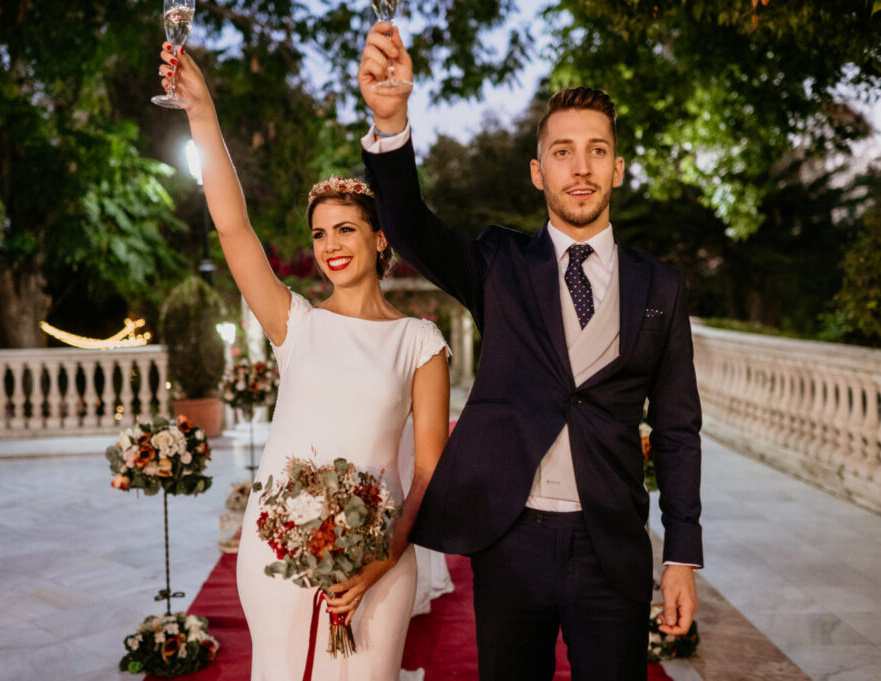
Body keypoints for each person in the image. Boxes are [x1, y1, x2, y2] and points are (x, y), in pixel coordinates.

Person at [357, 23, 703, 681]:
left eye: (597, 150)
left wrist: (681, 552)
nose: (582, 166)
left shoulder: (661, 285)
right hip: (512, 539)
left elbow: (678, 429)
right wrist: (393, 121)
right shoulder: (500, 265)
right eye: (564, 152)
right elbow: (407, 228)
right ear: (539, 172)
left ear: (618, 169)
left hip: (612, 544)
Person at [157, 44, 451, 679]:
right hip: (277, 553)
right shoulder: (296, 322)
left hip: (380, 555)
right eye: (319, 233)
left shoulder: (420, 342)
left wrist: (381, 558)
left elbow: (428, 469)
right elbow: (233, 228)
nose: (330, 245)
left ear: (379, 239)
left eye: (345, 229)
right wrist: (202, 113)